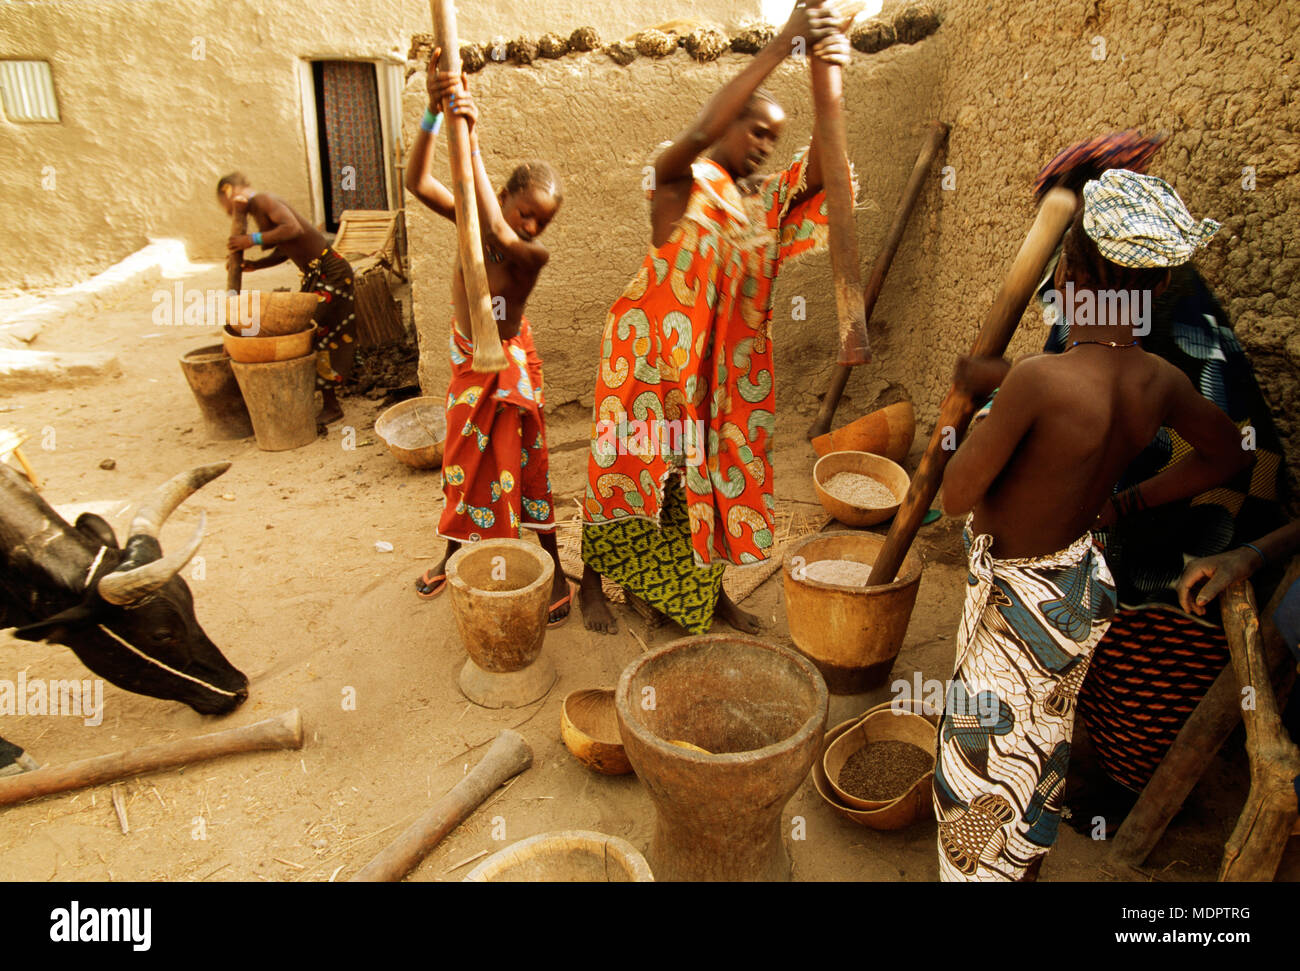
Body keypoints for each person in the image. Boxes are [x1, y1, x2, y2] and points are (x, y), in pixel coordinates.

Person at [933, 168, 1250, 882]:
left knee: (975, 764)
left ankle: (975, 871)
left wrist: (969, 406)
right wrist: (1126, 503)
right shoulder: (1159, 380)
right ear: (1159, 289)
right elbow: (1228, 452)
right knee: (1041, 745)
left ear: (1070, 274)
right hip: (1076, 586)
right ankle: (1026, 862)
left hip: (1015, 607)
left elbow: (955, 494)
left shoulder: (1037, 384)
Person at [579, 1, 851, 637]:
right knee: (625, 470)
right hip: (647, 364)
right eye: (755, 129)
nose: (763, 144)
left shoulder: (762, 204)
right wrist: (784, 44)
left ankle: (704, 593)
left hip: (722, 382)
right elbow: (701, 132)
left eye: (773, 138)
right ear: (728, 121)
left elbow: (826, 169)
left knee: (711, 478)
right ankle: (596, 581)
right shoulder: (679, 180)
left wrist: (829, 74)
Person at [1034, 134, 1291, 800]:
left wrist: (1120, 506)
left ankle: (1126, 781)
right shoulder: (1123, 286)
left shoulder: (1146, 303)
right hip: (1167, 482)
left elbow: (1228, 453)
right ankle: (1101, 751)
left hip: (1213, 506)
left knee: (1136, 596)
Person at [404, 52, 570, 625]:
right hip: (468, 360)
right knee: (464, 465)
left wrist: (468, 133)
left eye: (541, 222)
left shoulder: (526, 256)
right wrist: (434, 114)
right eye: (526, 213)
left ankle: (556, 571)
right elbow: (417, 181)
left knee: (524, 466)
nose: (531, 228)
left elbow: (498, 231)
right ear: (503, 196)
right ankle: (453, 554)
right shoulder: (473, 223)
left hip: (504, 367)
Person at [218, 173, 357, 424]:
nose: (225, 210)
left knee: (313, 332)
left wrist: (251, 239)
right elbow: (286, 247)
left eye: (222, 202)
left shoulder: (264, 200)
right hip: (317, 275)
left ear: (228, 191)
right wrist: (256, 265)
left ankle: (332, 406)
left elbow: (291, 228)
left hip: (330, 273)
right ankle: (321, 397)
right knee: (310, 333)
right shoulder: (259, 209)